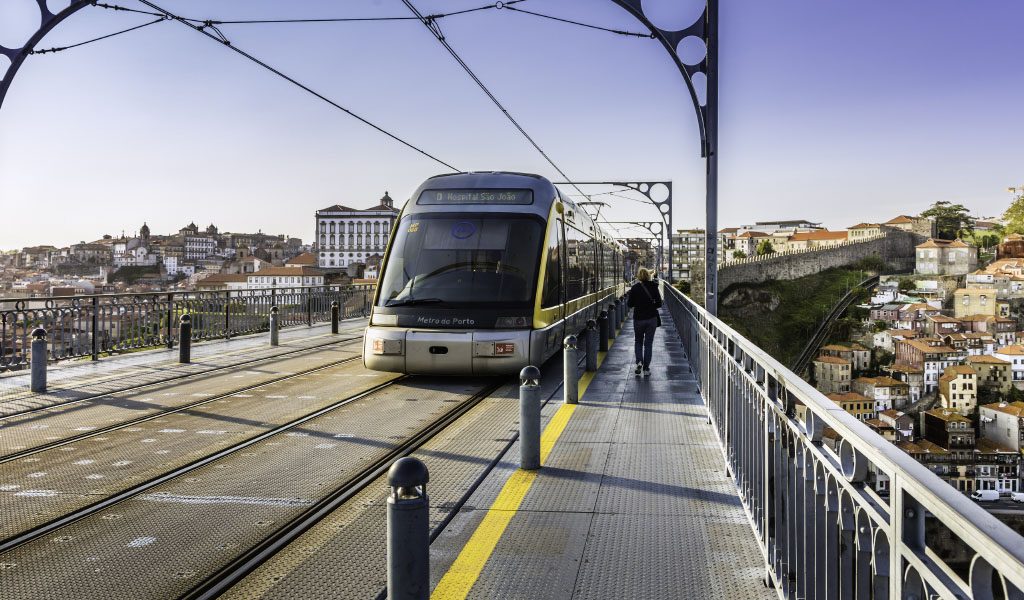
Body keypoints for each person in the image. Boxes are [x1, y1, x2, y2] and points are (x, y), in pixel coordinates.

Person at [626, 267, 662, 377]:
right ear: (648, 275)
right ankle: (646, 369)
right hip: (651, 319)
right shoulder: (654, 286)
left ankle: (639, 362)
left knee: (638, 341)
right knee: (648, 344)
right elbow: (659, 304)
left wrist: (638, 304)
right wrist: (651, 305)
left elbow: (630, 304)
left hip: (638, 319)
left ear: (639, 276)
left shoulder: (635, 288)